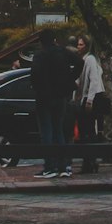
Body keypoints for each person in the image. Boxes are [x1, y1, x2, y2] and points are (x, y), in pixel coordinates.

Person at [30, 30, 81, 179]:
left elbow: (35, 75)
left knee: (46, 131)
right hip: (60, 95)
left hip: (44, 96)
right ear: (55, 40)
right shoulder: (62, 52)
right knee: (59, 129)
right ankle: (63, 165)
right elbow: (79, 62)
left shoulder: (40, 55)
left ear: (41, 42)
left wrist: (38, 87)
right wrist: (69, 79)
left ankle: (50, 166)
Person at [73, 34, 106, 174]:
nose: (78, 47)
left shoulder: (90, 59)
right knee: (87, 131)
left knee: (88, 131)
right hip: (86, 97)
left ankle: (90, 162)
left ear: (86, 46)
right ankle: (89, 161)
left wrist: (89, 100)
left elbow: (93, 80)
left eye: (81, 44)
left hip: (91, 98)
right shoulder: (85, 59)